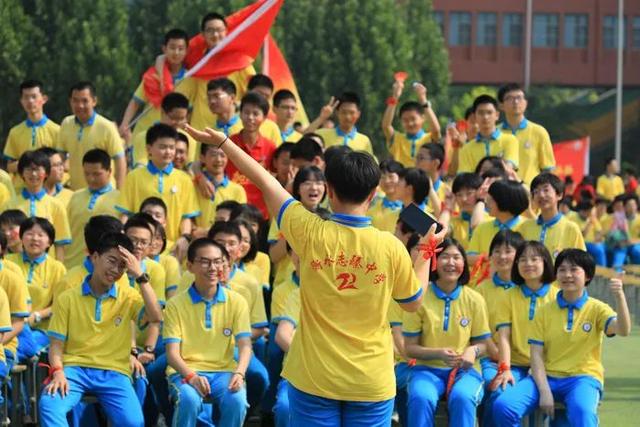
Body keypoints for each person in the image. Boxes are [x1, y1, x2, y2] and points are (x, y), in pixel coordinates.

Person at [186, 123, 441, 427]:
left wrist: (225, 142)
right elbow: (413, 302)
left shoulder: (307, 230)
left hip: (314, 378)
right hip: (370, 380)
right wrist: (426, 251)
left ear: (329, 190)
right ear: (373, 194)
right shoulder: (391, 246)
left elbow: (265, 180)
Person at [492, 249, 631, 427]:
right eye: (562, 270)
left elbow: (623, 330)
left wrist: (619, 297)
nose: (567, 275)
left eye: (574, 270)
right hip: (546, 377)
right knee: (504, 406)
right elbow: (536, 356)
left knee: (583, 413)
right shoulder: (544, 311)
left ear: (588, 276)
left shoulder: (597, 308)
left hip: (582, 379)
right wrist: (544, 391)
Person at [38, 232, 162, 427]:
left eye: (122, 265)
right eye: (111, 261)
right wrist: (58, 372)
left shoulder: (129, 296)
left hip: (115, 372)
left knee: (133, 422)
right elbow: (56, 345)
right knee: (49, 405)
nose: (115, 270)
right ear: (95, 257)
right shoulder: (67, 298)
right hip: (74, 370)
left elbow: (156, 317)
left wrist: (140, 276)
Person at [403, 238, 492, 427]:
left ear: (464, 264)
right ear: (434, 261)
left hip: (465, 371)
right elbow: (409, 348)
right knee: (421, 397)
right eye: (445, 257)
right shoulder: (420, 297)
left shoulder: (475, 299)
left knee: (463, 397)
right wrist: (438, 353)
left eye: (456, 257)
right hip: (426, 370)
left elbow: (484, 344)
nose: (451, 262)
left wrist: (472, 351)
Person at [164, 238, 251, 427]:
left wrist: (240, 373)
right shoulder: (174, 305)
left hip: (223, 371)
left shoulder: (237, 301)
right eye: (205, 262)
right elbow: (172, 354)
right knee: (189, 400)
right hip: (185, 371)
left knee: (237, 401)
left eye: (218, 261)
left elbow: (245, 345)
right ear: (190, 266)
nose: (213, 268)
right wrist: (191, 376)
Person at [484, 240, 558, 426]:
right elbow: (504, 337)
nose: (528, 264)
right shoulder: (508, 296)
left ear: (545, 262)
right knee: (498, 392)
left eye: (534, 259)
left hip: (548, 367)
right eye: (523, 260)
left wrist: (540, 368)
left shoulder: (556, 297)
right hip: (515, 365)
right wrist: (505, 369)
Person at [116, 123, 200, 259]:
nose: (168, 152)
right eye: (162, 147)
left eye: (171, 147)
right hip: (139, 248)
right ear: (149, 148)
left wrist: (185, 237)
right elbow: (125, 213)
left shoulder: (184, 179)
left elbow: (186, 216)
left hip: (172, 249)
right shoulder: (134, 177)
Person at [176, 12, 255, 131]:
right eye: (210, 30)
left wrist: (236, 105)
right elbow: (180, 96)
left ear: (226, 32)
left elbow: (256, 95)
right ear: (203, 34)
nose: (215, 34)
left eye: (219, 30)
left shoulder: (240, 63)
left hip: (234, 132)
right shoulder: (198, 65)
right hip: (202, 132)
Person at [7, 217, 66, 355]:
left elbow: (59, 304)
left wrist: (37, 315)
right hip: (8, 324)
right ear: (21, 238)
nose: (34, 239)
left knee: (23, 345)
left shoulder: (57, 268)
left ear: (49, 242)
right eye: (29, 234)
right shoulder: (8, 262)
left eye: (40, 235)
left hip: (40, 328)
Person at [119, 29, 189, 139]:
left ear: (186, 51)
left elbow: (190, 112)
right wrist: (124, 124)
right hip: (145, 132)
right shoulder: (153, 76)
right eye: (172, 48)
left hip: (174, 137)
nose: (176, 53)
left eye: (180, 49)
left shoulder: (190, 78)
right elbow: (135, 102)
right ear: (164, 49)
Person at [2, 150, 72, 261]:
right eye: (29, 169)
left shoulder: (56, 205)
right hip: (14, 264)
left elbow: (60, 244)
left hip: (46, 266)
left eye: (38, 169)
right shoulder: (9, 204)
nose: (33, 174)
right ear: (21, 173)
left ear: (46, 173)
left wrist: (59, 267)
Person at [56, 81, 126, 190]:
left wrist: (120, 191)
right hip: (75, 192)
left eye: (85, 101)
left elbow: (119, 160)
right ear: (70, 102)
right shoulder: (66, 123)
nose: (80, 105)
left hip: (103, 193)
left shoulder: (106, 127)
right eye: (75, 101)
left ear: (94, 101)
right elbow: (60, 156)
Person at [65, 149, 120, 268]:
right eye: (87, 174)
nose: (91, 179)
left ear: (109, 171)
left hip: (104, 267)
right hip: (72, 263)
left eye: (96, 174)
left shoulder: (120, 199)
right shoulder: (75, 196)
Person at [226, 92, 277, 219]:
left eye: (255, 114)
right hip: (233, 212)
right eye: (246, 112)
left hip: (261, 214)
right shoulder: (228, 144)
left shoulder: (270, 147)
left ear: (264, 118)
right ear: (240, 114)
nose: (250, 117)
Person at [497, 83, 555, 185]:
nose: (515, 102)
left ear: (526, 103)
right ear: (501, 105)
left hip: (529, 191)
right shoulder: (496, 133)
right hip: (501, 191)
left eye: (519, 98)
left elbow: (548, 169)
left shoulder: (539, 132)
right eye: (509, 98)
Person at [520, 173, 586, 257]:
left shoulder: (571, 229)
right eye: (536, 192)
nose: (541, 195)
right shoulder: (525, 227)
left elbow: (581, 261)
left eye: (546, 190)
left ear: (559, 195)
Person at [467, 179, 529, 265]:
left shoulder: (527, 226)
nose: (486, 203)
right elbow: (469, 258)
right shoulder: (482, 228)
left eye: (491, 200)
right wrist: (490, 257)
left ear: (504, 201)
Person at [4, 80, 59, 174]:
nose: (30, 101)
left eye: (34, 97)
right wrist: (28, 164)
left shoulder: (57, 130)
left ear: (44, 99)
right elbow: (10, 166)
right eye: (26, 97)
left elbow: (63, 164)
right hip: (21, 183)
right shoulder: (15, 132)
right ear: (21, 101)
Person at [382, 80, 441, 167]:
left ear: (423, 118)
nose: (410, 123)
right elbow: (386, 126)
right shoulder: (397, 139)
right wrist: (395, 97)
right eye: (405, 120)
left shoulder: (429, 139)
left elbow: (436, 130)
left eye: (413, 119)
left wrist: (424, 101)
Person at [130, 92, 196, 169]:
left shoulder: (189, 140)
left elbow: (191, 168)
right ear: (162, 112)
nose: (177, 123)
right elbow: (140, 166)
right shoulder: (143, 137)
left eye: (181, 119)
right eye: (173, 118)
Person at [457, 95, 519, 175]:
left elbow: (509, 168)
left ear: (497, 115)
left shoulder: (510, 140)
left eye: (489, 112)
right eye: (481, 113)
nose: (485, 117)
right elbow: (466, 176)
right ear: (475, 116)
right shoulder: (466, 149)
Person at [195, 143, 247, 231]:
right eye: (213, 155)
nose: (218, 159)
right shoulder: (192, 185)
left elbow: (240, 221)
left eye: (222, 155)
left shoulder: (238, 190)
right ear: (202, 157)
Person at [306, 92, 374, 155]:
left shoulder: (365, 141)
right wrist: (321, 118)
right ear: (337, 113)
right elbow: (305, 138)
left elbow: (370, 163)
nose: (347, 117)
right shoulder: (323, 135)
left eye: (352, 113)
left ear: (358, 114)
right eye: (344, 112)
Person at [449, 173, 485, 249]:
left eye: (469, 193)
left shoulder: (491, 220)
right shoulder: (453, 221)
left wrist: (481, 201)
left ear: (480, 192)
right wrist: (448, 206)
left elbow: (476, 224)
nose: (464, 199)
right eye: (459, 195)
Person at [368, 160, 404, 233]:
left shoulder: (409, 206)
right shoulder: (373, 206)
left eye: (391, 176)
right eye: (382, 177)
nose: (387, 181)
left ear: (401, 178)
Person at [567, 201, 607, 266]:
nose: (590, 213)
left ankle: (601, 268)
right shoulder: (573, 217)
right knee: (599, 251)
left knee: (601, 247)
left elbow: (600, 231)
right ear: (582, 210)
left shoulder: (591, 218)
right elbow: (582, 235)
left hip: (592, 243)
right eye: (589, 211)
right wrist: (589, 223)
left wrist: (597, 238)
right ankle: (602, 268)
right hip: (580, 242)